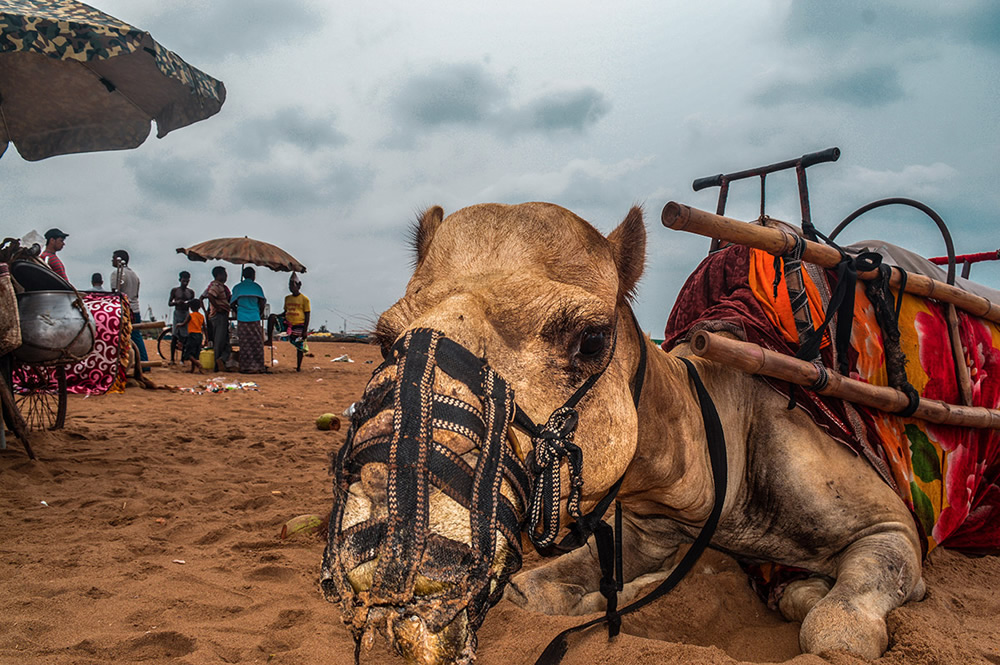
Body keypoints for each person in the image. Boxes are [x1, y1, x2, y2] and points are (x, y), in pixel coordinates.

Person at [109, 249, 148, 369]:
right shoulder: (134, 274)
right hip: (135, 308)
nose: (112, 260)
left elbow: (115, 294)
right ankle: (144, 362)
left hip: (125, 309)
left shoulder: (117, 274)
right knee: (136, 336)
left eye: (113, 257)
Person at [268, 273, 310, 372]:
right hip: (288, 324)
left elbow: (307, 315)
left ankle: (299, 367)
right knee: (271, 317)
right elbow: (285, 311)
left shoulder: (305, 299)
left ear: (299, 285)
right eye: (289, 285)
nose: (291, 287)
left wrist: (305, 331)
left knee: (299, 346)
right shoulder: (287, 298)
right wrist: (277, 316)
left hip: (299, 325)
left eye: (293, 285)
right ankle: (269, 339)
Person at [229, 266, 267, 374]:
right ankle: (258, 366)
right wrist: (259, 312)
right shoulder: (257, 287)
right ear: (253, 276)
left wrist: (237, 310)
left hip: (242, 317)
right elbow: (262, 303)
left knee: (245, 343)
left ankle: (245, 367)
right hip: (254, 317)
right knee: (256, 342)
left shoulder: (238, 288)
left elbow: (232, 303)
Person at [201, 266, 234, 372]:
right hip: (219, 315)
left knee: (225, 342)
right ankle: (217, 363)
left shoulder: (219, 286)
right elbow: (210, 295)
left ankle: (221, 361)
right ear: (219, 275)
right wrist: (217, 307)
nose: (226, 276)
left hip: (220, 315)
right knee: (220, 341)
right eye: (224, 274)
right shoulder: (216, 286)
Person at [167, 271, 195, 365]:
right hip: (177, 313)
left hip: (186, 313)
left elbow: (193, 304)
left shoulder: (190, 292)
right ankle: (172, 359)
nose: (185, 283)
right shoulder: (175, 290)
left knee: (186, 337)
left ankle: (182, 359)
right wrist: (177, 302)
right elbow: (169, 303)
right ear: (180, 280)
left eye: (187, 281)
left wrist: (188, 303)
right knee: (175, 336)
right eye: (184, 281)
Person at [180, 299, 205, 373]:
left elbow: (184, 323)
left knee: (187, 353)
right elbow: (204, 328)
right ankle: (192, 369)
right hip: (199, 335)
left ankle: (198, 364)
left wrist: (179, 325)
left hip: (192, 335)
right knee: (195, 353)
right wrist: (206, 338)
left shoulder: (190, 315)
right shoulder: (201, 316)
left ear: (191, 307)